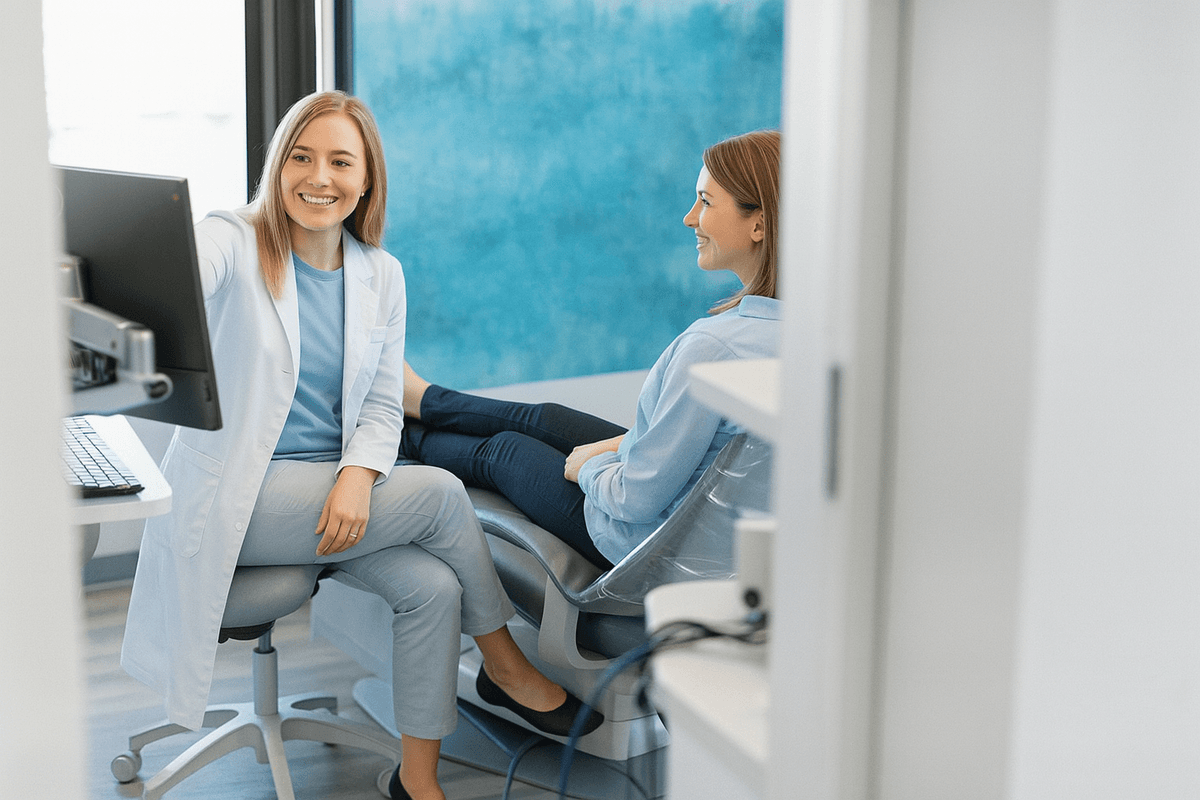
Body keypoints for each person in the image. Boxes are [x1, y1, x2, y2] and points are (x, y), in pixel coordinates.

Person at [120, 91, 599, 800]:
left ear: (367, 177)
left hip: (331, 493)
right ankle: (503, 660)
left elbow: (379, 402)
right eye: (302, 158)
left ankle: (418, 782)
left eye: (341, 162)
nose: (320, 177)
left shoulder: (380, 274)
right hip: (240, 497)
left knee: (433, 588)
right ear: (278, 166)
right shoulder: (233, 240)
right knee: (439, 492)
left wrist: (357, 474)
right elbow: (187, 265)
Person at [400, 129, 781, 570]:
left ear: (758, 224)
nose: (689, 217)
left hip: (647, 543)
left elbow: (636, 499)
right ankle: (420, 398)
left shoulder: (711, 348)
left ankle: (399, 436)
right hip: (704, 524)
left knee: (504, 450)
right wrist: (616, 448)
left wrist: (589, 468)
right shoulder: (806, 337)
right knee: (546, 419)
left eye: (706, 201)